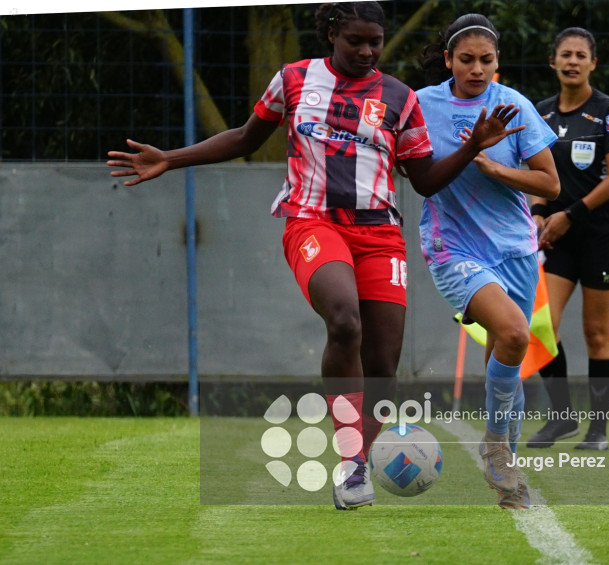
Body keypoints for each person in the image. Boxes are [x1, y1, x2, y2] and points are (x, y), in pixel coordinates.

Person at [107, 2, 525, 510]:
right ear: (331, 34)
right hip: (313, 221)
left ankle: (363, 461)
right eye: (356, 41)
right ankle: (351, 465)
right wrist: (170, 159)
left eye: (376, 41)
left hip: (379, 233)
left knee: (383, 364)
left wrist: (472, 146)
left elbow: (425, 180)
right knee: (345, 321)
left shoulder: (399, 98)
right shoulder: (293, 79)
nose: (368, 51)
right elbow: (244, 137)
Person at [416, 14, 560, 509]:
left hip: (516, 250)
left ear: (497, 62)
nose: (477, 69)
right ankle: (497, 447)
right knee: (516, 333)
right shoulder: (422, 104)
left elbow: (550, 184)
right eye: (467, 59)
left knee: (508, 357)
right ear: (449, 60)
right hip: (452, 246)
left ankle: (508, 479)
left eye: (487, 60)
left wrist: (498, 168)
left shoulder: (513, 105)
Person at [525, 27, 609, 451]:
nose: (572, 61)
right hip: (557, 239)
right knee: (541, 327)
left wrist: (569, 214)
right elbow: (536, 173)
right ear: (552, 62)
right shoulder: (540, 113)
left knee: (596, 333)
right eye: (564, 54)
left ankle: (598, 430)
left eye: (580, 55)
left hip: (602, 236)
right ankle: (562, 417)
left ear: (593, 63)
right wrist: (536, 213)